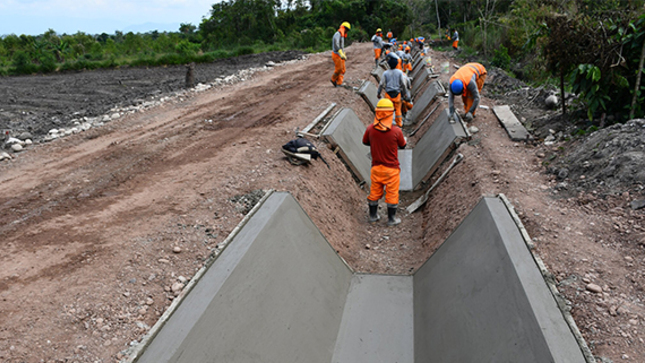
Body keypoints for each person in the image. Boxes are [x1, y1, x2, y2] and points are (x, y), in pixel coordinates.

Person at [362, 98, 406, 226]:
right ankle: (391, 219)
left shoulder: (370, 129)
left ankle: (373, 216)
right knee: (392, 194)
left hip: (376, 168)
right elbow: (402, 145)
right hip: (392, 169)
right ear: (390, 114)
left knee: (374, 192)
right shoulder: (396, 131)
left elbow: (365, 142)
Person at [378, 55, 411, 127]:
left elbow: (381, 84)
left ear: (388, 65)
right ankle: (399, 124)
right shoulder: (399, 73)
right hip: (397, 94)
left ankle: (387, 124)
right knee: (398, 110)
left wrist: (378, 93)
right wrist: (405, 93)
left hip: (388, 94)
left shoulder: (385, 73)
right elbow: (403, 84)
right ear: (397, 64)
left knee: (388, 110)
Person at [331, 22, 351, 87]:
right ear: (344, 28)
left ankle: (339, 83)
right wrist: (340, 52)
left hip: (341, 55)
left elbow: (341, 46)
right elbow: (336, 44)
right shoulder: (337, 34)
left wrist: (343, 53)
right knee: (339, 69)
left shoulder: (342, 35)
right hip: (336, 54)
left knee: (343, 70)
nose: (346, 31)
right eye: (346, 30)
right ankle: (333, 79)